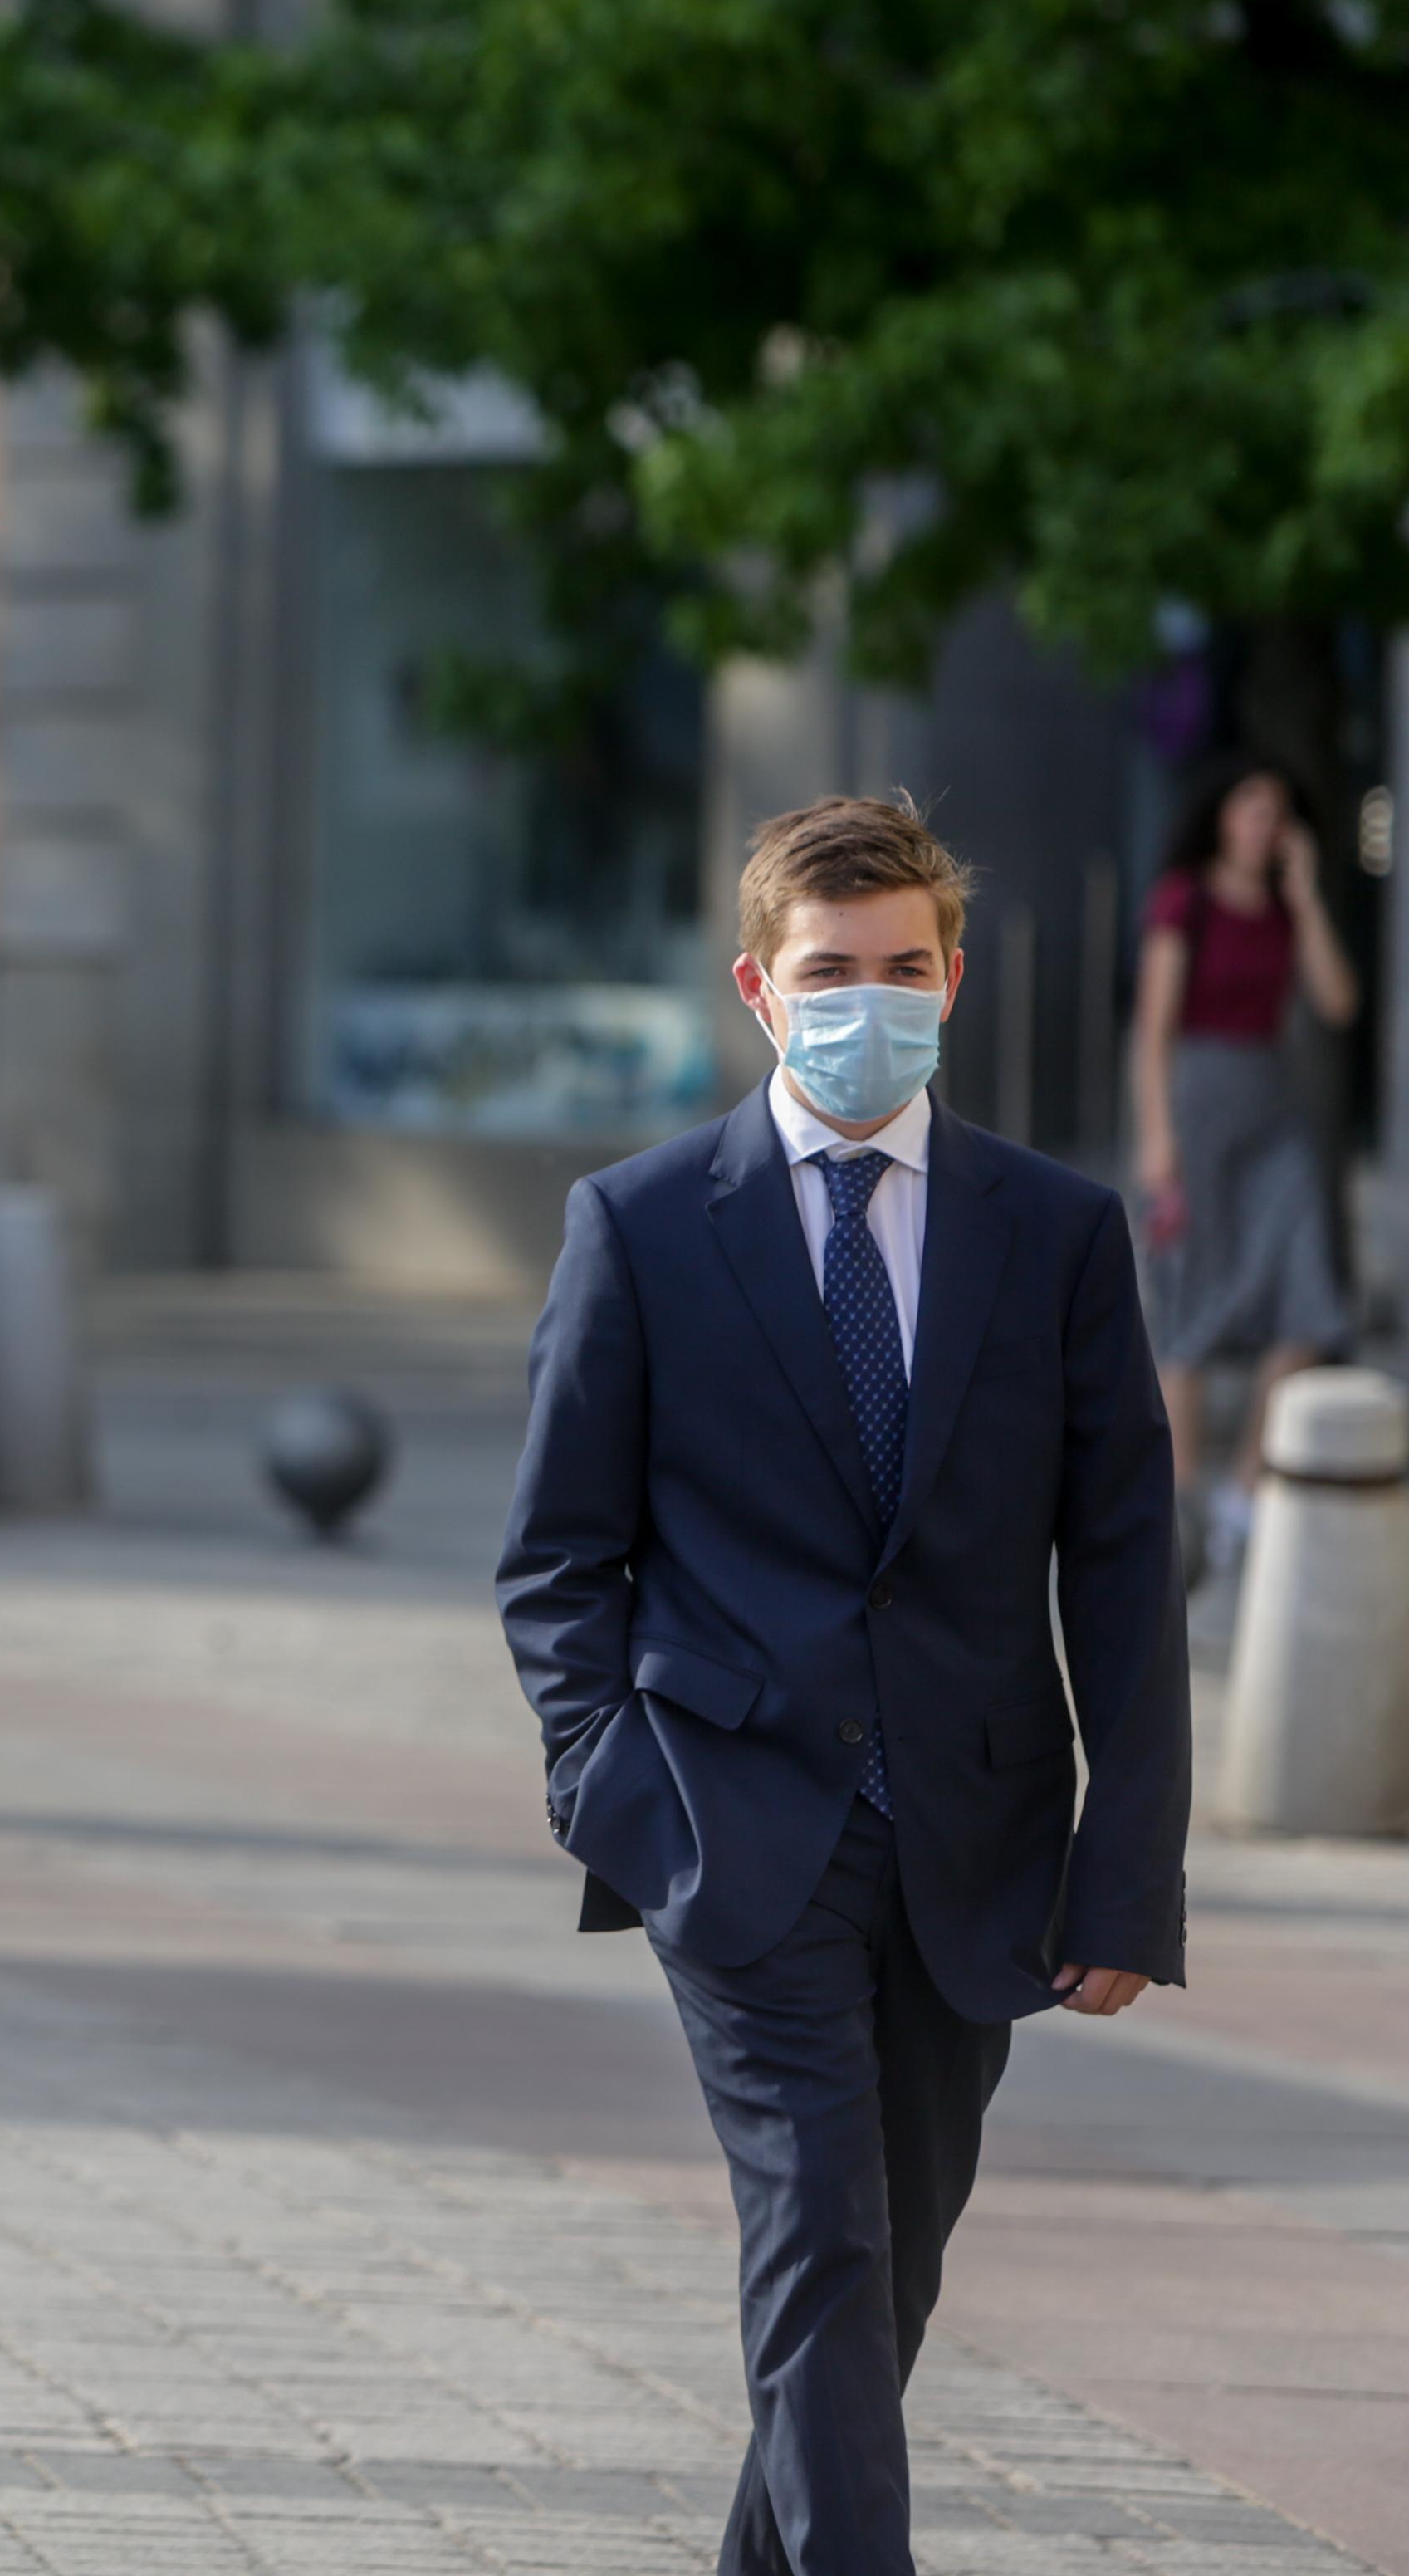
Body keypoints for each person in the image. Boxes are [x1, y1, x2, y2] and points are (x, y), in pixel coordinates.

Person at [501, 796, 1184, 2576]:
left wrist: (1128, 1867)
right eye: (826, 973)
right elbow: (555, 1553)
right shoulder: (640, 1225)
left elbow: (1119, 1566)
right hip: (731, 1827)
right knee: (820, 2236)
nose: (863, 1001)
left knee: (886, 2277)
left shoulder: (1056, 1233)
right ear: (755, 986)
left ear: (951, 977)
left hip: (975, 1836)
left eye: (900, 969)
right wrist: (611, 1789)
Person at [1130, 757, 1360, 1576]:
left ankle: (1243, 1489)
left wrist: (1304, 896)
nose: (1262, 825)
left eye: (1276, 813)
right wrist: (1156, 1140)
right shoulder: (1181, 899)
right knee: (1189, 1297)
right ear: (1222, 817)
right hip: (1195, 1107)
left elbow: (1336, 1003)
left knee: (1307, 1300)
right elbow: (1151, 1029)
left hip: (1270, 1109)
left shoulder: (1286, 909)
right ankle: (1181, 1505)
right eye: (1249, 808)